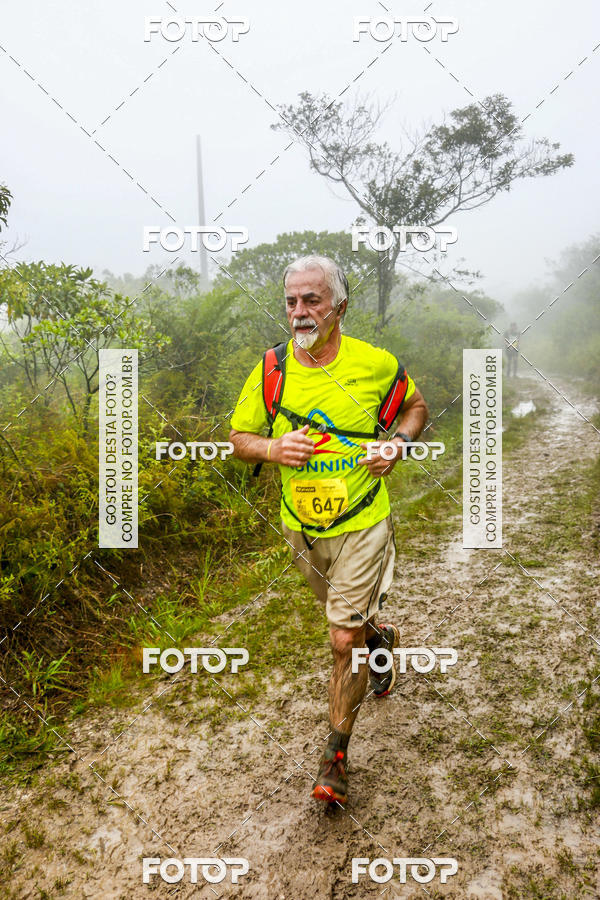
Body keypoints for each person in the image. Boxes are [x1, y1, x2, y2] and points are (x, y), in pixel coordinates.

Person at [229, 255, 428, 804]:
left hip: (364, 519)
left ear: (339, 305)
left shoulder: (375, 364)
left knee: (342, 639)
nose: (300, 312)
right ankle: (380, 639)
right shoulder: (272, 370)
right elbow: (240, 437)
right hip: (302, 530)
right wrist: (272, 448)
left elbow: (414, 407)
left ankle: (334, 757)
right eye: (291, 301)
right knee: (356, 631)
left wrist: (399, 444)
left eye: (312, 300)